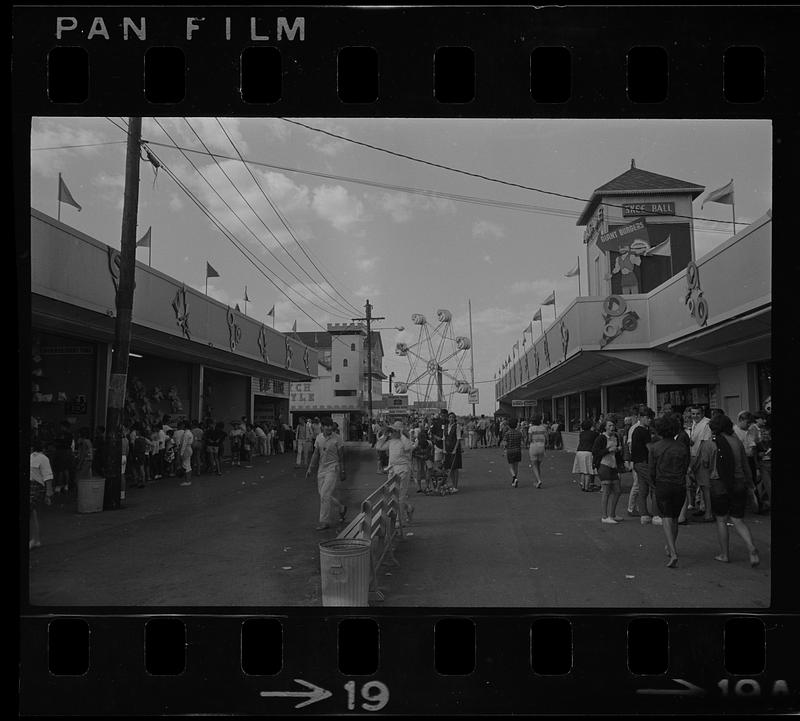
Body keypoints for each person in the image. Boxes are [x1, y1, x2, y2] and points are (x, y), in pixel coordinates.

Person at [701, 414, 760, 567]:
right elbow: (746, 466)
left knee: (721, 519)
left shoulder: (709, 444)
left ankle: (724, 554)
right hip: (739, 482)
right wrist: (751, 484)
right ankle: (751, 547)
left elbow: (705, 464)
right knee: (738, 519)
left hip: (719, 483)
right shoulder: (737, 442)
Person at [649, 414, 691, 568]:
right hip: (679, 484)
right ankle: (671, 546)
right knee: (674, 517)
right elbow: (686, 466)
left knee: (666, 517)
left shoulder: (655, 448)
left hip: (663, 484)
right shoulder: (681, 446)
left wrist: (654, 484)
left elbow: (652, 471)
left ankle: (672, 551)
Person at [306, 418, 346, 530]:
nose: (328, 428)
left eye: (330, 426)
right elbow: (315, 454)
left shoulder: (337, 439)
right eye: (326, 426)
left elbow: (341, 456)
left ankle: (324, 521)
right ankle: (341, 507)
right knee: (323, 495)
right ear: (322, 427)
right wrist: (310, 468)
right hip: (321, 469)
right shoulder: (319, 438)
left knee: (324, 494)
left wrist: (343, 471)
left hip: (333, 469)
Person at [375, 420, 415, 524]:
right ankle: (408, 508)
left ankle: (399, 520)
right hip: (392, 470)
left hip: (403, 470)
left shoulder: (404, 440)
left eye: (394, 431)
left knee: (400, 496)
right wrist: (385, 435)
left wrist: (401, 433)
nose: (392, 432)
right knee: (393, 495)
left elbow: (408, 447)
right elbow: (379, 446)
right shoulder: (391, 441)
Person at [629, 408, 661, 525]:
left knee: (643, 489)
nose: (649, 420)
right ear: (641, 417)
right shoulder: (644, 431)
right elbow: (650, 449)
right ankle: (656, 514)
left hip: (637, 462)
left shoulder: (636, 430)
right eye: (647, 417)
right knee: (655, 486)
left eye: (650, 418)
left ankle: (644, 514)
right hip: (644, 462)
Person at [592, 419, 624, 524]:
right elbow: (595, 452)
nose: (612, 427)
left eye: (613, 425)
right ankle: (605, 516)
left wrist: (619, 452)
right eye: (609, 425)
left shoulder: (616, 437)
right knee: (606, 491)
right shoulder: (601, 438)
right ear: (605, 427)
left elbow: (618, 453)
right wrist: (608, 450)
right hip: (604, 465)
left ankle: (613, 514)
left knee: (618, 490)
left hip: (613, 465)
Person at [688, 405, 714, 522]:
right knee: (700, 485)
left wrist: (700, 460)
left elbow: (704, 443)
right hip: (694, 456)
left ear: (702, 413)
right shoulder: (694, 423)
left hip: (701, 457)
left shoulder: (706, 424)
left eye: (697, 414)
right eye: (693, 414)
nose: (695, 416)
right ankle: (703, 507)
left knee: (705, 486)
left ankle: (709, 512)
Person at [29, 440, 54, 549]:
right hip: (32, 486)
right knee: (31, 512)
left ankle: (35, 539)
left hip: (37, 487)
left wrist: (48, 494)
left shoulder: (43, 459)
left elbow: (47, 477)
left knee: (30, 510)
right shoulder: (36, 457)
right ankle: (35, 538)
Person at [572, 419, 598, 492]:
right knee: (588, 471)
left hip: (579, 451)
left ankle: (583, 485)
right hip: (588, 452)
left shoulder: (581, 433)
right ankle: (587, 487)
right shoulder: (594, 433)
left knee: (582, 470)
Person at [443, 412, 463, 490]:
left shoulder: (457, 426)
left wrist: (455, 449)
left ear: (454, 418)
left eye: (452, 417)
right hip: (447, 448)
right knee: (449, 467)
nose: (451, 418)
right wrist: (444, 449)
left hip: (454, 448)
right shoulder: (445, 427)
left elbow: (458, 438)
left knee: (455, 467)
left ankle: (455, 485)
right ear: (448, 418)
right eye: (450, 417)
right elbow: (444, 439)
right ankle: (452, 484)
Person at [527, 415, 548, 488]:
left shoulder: (531, 428)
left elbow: (529, 439)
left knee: (534, 465)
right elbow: (546, 437)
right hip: (542, 447)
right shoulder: (543, 428)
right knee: (538, 465)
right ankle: (537, 480)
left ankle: (539, 480)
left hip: (533, 447)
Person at [503, 417, 524, 487]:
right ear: (516, 425)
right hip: (518, 450)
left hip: (510, 451)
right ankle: (514, 480)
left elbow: (505, 443)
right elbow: (522, 442)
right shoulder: (519, 433)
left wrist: (504, 449)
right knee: (516, 466)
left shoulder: (507, 433)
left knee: (511, 466)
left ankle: (514, 477)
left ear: (509, 425)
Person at [411, 427, 433, 493]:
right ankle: (427, 486)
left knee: (419, 471)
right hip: (427, 458)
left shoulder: (417, 443)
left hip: (418, 458)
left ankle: (419, 487)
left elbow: (413, 451)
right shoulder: (429, 443)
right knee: (428, 471)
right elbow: (431, 452)